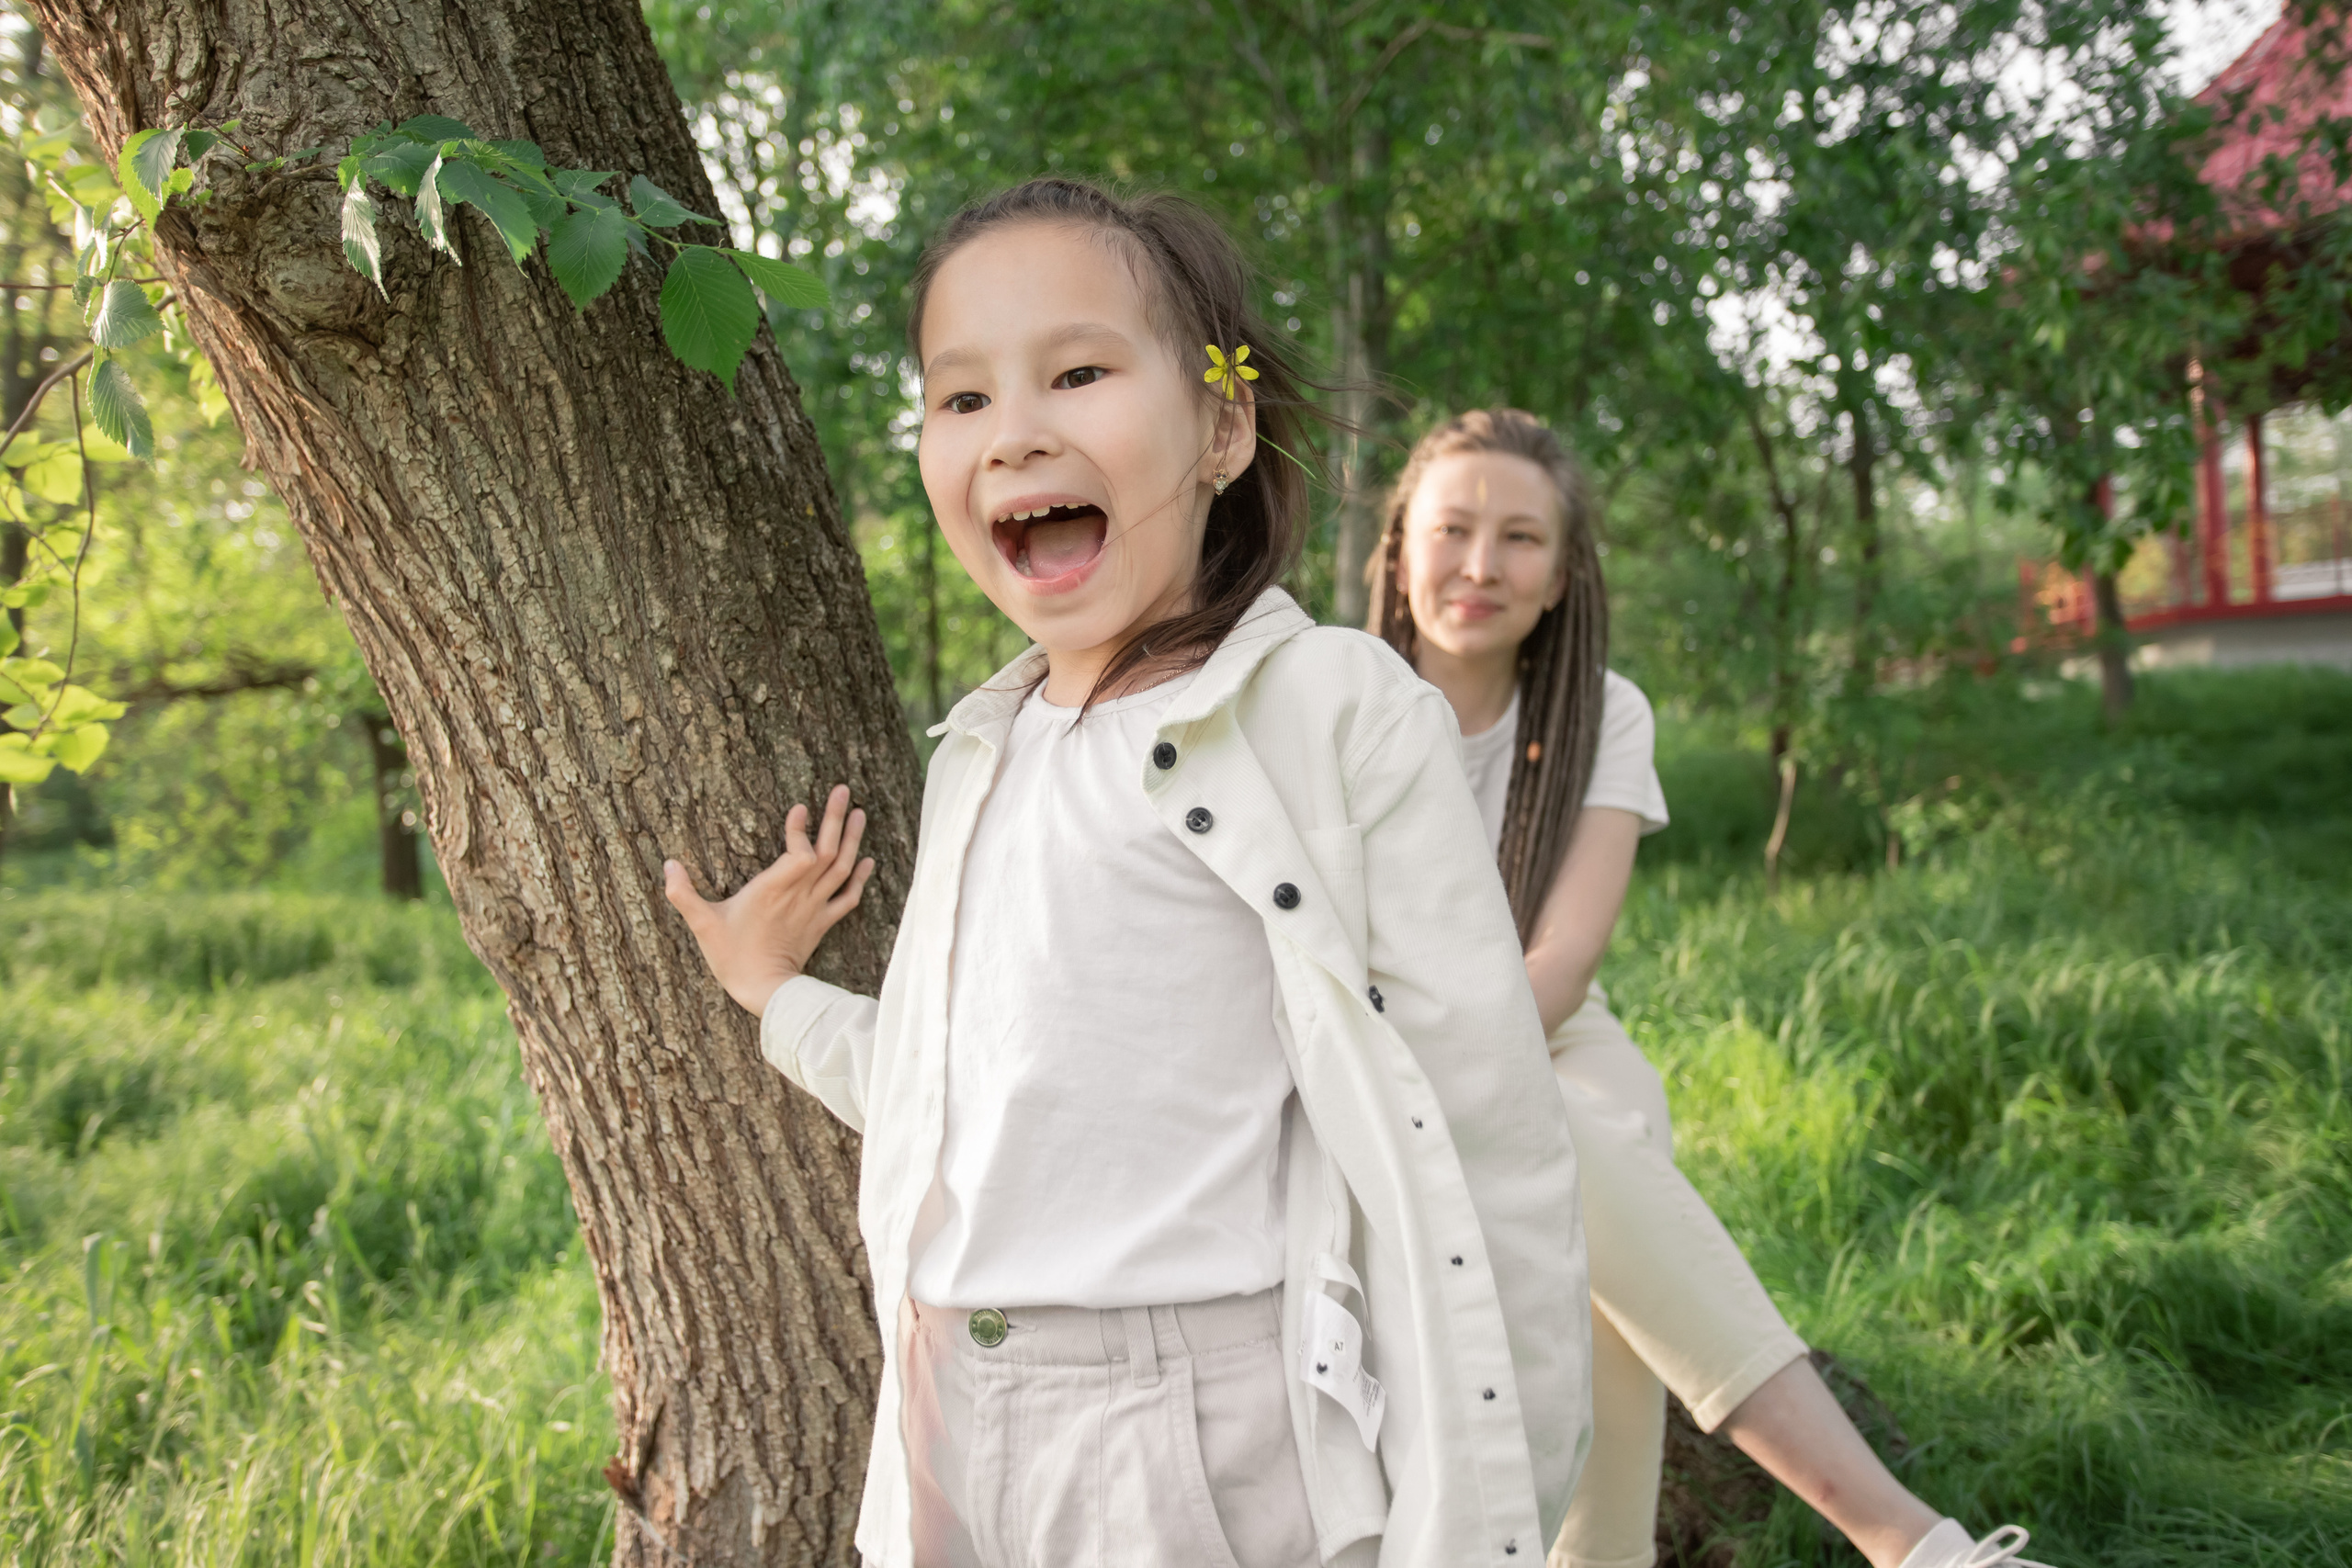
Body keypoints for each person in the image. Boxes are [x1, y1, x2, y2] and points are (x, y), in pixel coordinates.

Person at [662, 183, 1591, 1568]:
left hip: (1185, 1420)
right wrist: (772, 991)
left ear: (1223, 425)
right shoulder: (986, 751)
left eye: (1080, 372)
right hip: (951, 1408)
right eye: (960, 397)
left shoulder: (1324, 710)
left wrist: (1488, 1518)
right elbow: (963, 1090)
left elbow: (1481, 1132)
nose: (1015, 428)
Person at [1368, 409, 2052, 1568]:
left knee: (1608, 1132)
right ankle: (1907, 1542)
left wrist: (1489, 1070)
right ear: (1397, 549)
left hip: (1550, 1021)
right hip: (1379, 1042)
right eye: (1453, 529)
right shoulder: (1338, 704)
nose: (1480, 566)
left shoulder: (1601, 711)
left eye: (1520, 538)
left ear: (1561, 574)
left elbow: (1564, 961)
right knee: (1596, 1156)